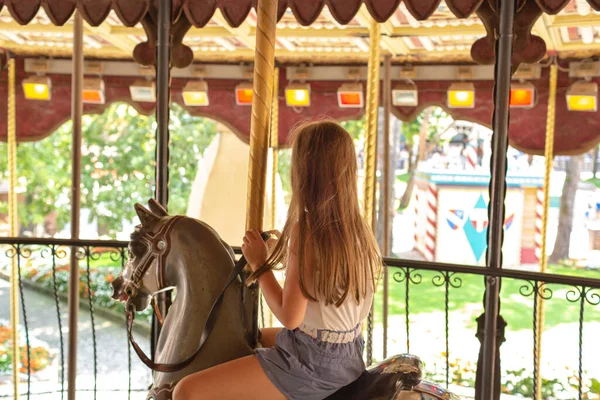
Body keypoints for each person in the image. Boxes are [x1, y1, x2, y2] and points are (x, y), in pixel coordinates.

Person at [173, 120, 381, 400]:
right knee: (248, 337)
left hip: (312, 362)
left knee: (186, 391)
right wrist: (285, 252)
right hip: (348, 353)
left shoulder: (307, 232)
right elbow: (325, 285)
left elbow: (290, 317)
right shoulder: (357, 228)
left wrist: (259, 265)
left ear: (304, 172)